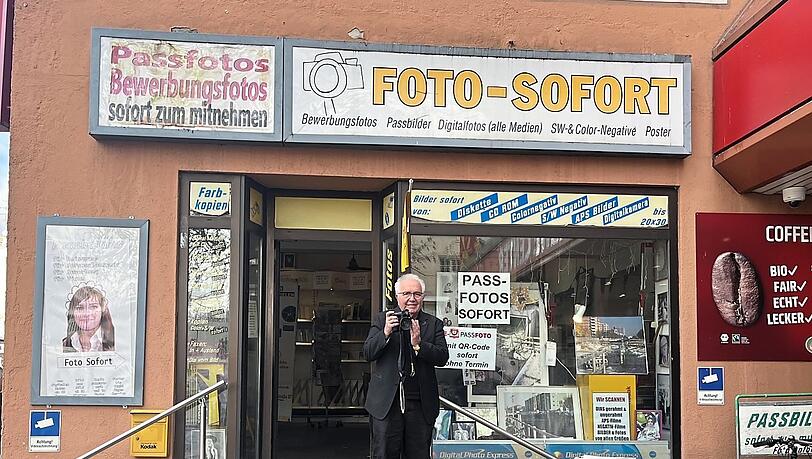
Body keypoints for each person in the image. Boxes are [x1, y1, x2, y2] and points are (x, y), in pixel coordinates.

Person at [364, 273, 449, 459]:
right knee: (384, 453)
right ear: (397, 297)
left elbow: (443, 357)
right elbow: (368, 353)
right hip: (386, 404)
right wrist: (386, 332)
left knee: (418, 454)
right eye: (407, 293)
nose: (412, 299)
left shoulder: (433, 324)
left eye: (417, 294)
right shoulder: (382, 320)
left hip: (420, 404)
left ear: (423, 297)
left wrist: (419, 345)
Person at [62, 285, 115, 352]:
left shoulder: (115, 342)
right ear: (72, 312)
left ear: (102, 311)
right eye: (80, 308)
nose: (86, 313)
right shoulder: (66, 344)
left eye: (93, 307)